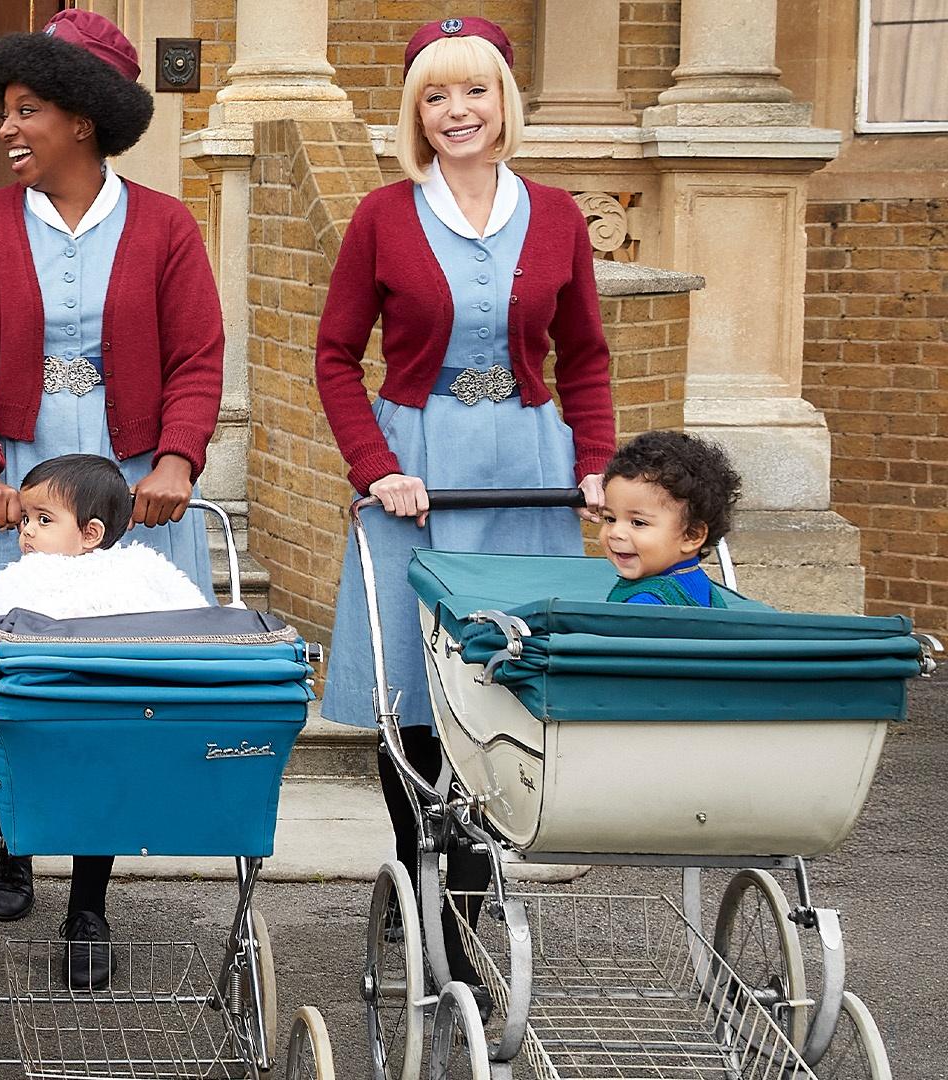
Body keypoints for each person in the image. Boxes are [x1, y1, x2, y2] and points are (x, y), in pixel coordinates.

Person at [0, 9, 225, 981]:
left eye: (27, 109)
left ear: (82, 119)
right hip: (19, 475)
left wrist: (175, 461)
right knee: (15, 671)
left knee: (113, 696)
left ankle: (89, 899)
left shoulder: (167, 225)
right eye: (8, 110)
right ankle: (10, 841)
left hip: (132, 488)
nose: (8, 128)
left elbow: (197, 357)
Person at [314, 18, 617, 987]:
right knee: (414, 686)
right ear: (415, 113)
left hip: (527, 466)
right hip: (416, 470)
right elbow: (334, 358)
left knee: (506, 678)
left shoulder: (560, 216)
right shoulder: (381, 218)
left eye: (474, 92)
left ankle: (474, 880)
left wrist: (598, 464)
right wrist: (374, 467)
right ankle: (420, 861)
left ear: (504, 102)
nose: (457, 113)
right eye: (436, 97)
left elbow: (588, 358)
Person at [0, 453, 208, 628]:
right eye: (25, 518)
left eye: (43, 520)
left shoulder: (140, 568)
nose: (27, 531)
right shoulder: (25, 575)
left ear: (90, 534)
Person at [600, 431, 741, 607]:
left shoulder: (643, 606)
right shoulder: (700, 584)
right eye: (610, 519)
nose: (615, 533)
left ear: (691, 535)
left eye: (638, 522)